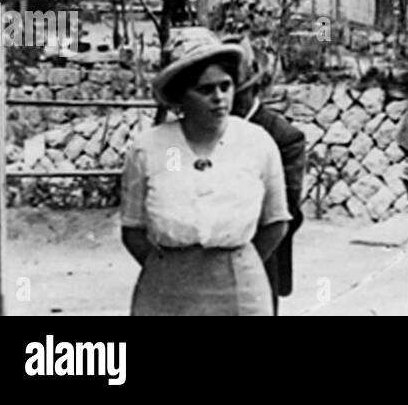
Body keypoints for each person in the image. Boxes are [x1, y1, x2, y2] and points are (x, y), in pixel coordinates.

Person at [121, 30, 290, 315]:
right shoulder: (148, 148)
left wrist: (234, 265)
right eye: (205, 90)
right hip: (165, 291)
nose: (219, 98)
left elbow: (276, 222)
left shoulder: (257, 143)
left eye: (225, 86)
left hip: (240, 290)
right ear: (180, 96)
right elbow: (132, 230)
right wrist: (175, 270)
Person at [227, 37, 306, 313]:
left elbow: (286, 211)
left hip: (259, 259)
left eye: (234, 93)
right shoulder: (200, 133)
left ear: (254, 90)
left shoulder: (283, 137)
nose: (223, 102)